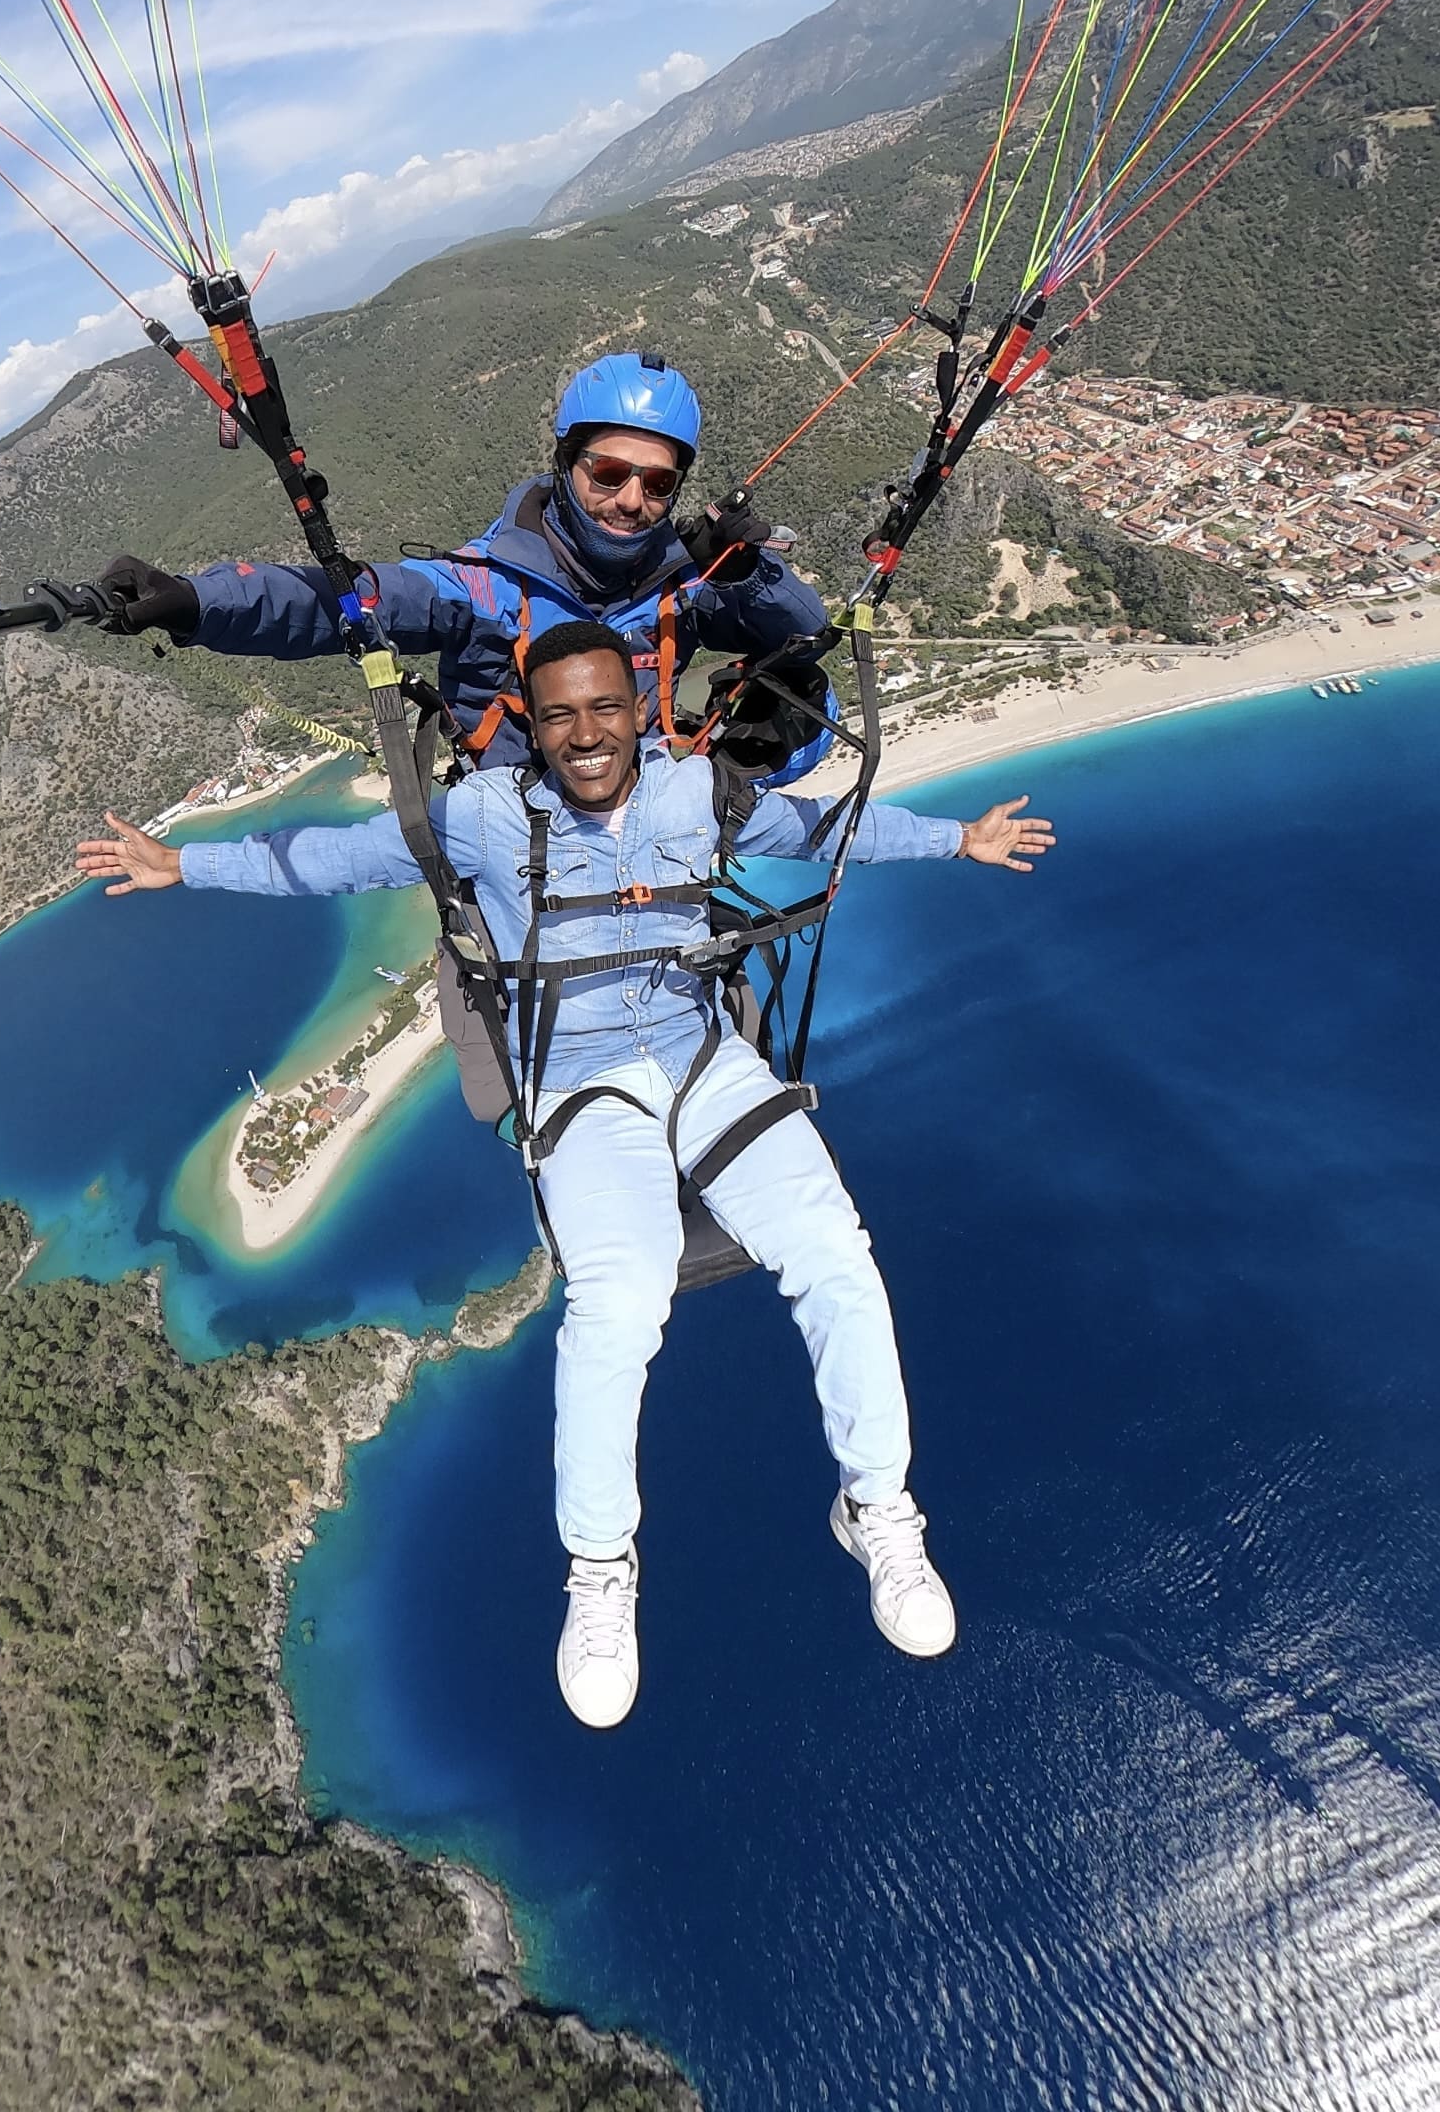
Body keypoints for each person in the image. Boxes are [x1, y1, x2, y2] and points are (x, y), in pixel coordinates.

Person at [75, 623, 1055, 1729]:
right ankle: (598, 1572)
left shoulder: (700, 796)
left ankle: (878, 1507)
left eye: (603, 708)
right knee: (617, 1301)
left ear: (640, 705)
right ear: (530, 730)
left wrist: (953, 839)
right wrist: (185, 864)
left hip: (701, 1056)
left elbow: (827, 829)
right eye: (558, 716)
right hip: (582, 1088)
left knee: (838, 1252)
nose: (585, 734)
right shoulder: (488, 818)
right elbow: (335, 857)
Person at [88, 349, 829, 766]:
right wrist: (194, 603)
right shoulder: (483, 588)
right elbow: (348, 603)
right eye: (609, 474)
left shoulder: (678, 579)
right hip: (525, 842)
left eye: (658, 483)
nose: (632, 501)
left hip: (647, 823)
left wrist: (746, 572)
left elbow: (805, 636)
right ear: (565, 466)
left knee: (812, 707)